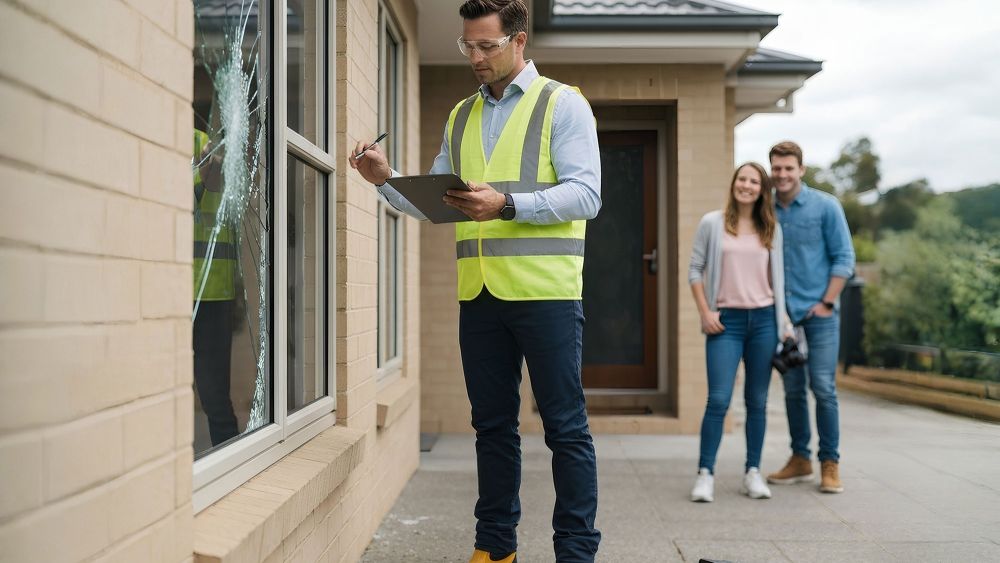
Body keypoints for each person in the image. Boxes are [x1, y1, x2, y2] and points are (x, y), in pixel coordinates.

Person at [348, 1, 602, 561]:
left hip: (547, 294)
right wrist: (385, 179)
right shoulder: (461, 116)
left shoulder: (562, 104)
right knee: (491, 427)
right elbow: (441, 205)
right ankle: (494, 547)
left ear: (519, 40)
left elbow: (587, 194)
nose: (476, 57)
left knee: (564, 428)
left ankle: (577, 552)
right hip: (480, 294)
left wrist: (508, 203)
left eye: (487, 45)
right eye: (468, 46)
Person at [687, 162, 792, 503]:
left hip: (763, 321)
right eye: (742, 179)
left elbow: (778, 282)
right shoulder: (712, 223)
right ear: (734, 183)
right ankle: (705, 474)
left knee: (757, 401)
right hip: (725, 322)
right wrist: (705, 313)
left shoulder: (771, 229)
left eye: (754, 181)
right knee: (718, 400)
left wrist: (783, 322)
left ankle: (753, 473)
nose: (746, 185)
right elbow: (695, 270)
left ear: (762, 190)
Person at [766, 141, 855, 494]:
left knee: (823, 387)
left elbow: (844, 259)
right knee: (792, 391)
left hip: (820, 315)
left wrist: (827, 303)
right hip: (784, 319)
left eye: (789, 168)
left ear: (801, 169)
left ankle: (829, 463)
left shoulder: (826, 207)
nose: (782, 174)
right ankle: (800, 458)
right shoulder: (766, 210)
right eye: (777, 168)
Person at [192, 129, 239, 447]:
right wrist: (202, 172)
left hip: (214, 293)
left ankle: (232, 473)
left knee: (215, 399)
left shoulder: (206, 141)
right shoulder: (159, 133)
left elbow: (238, 205)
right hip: (166, 291)